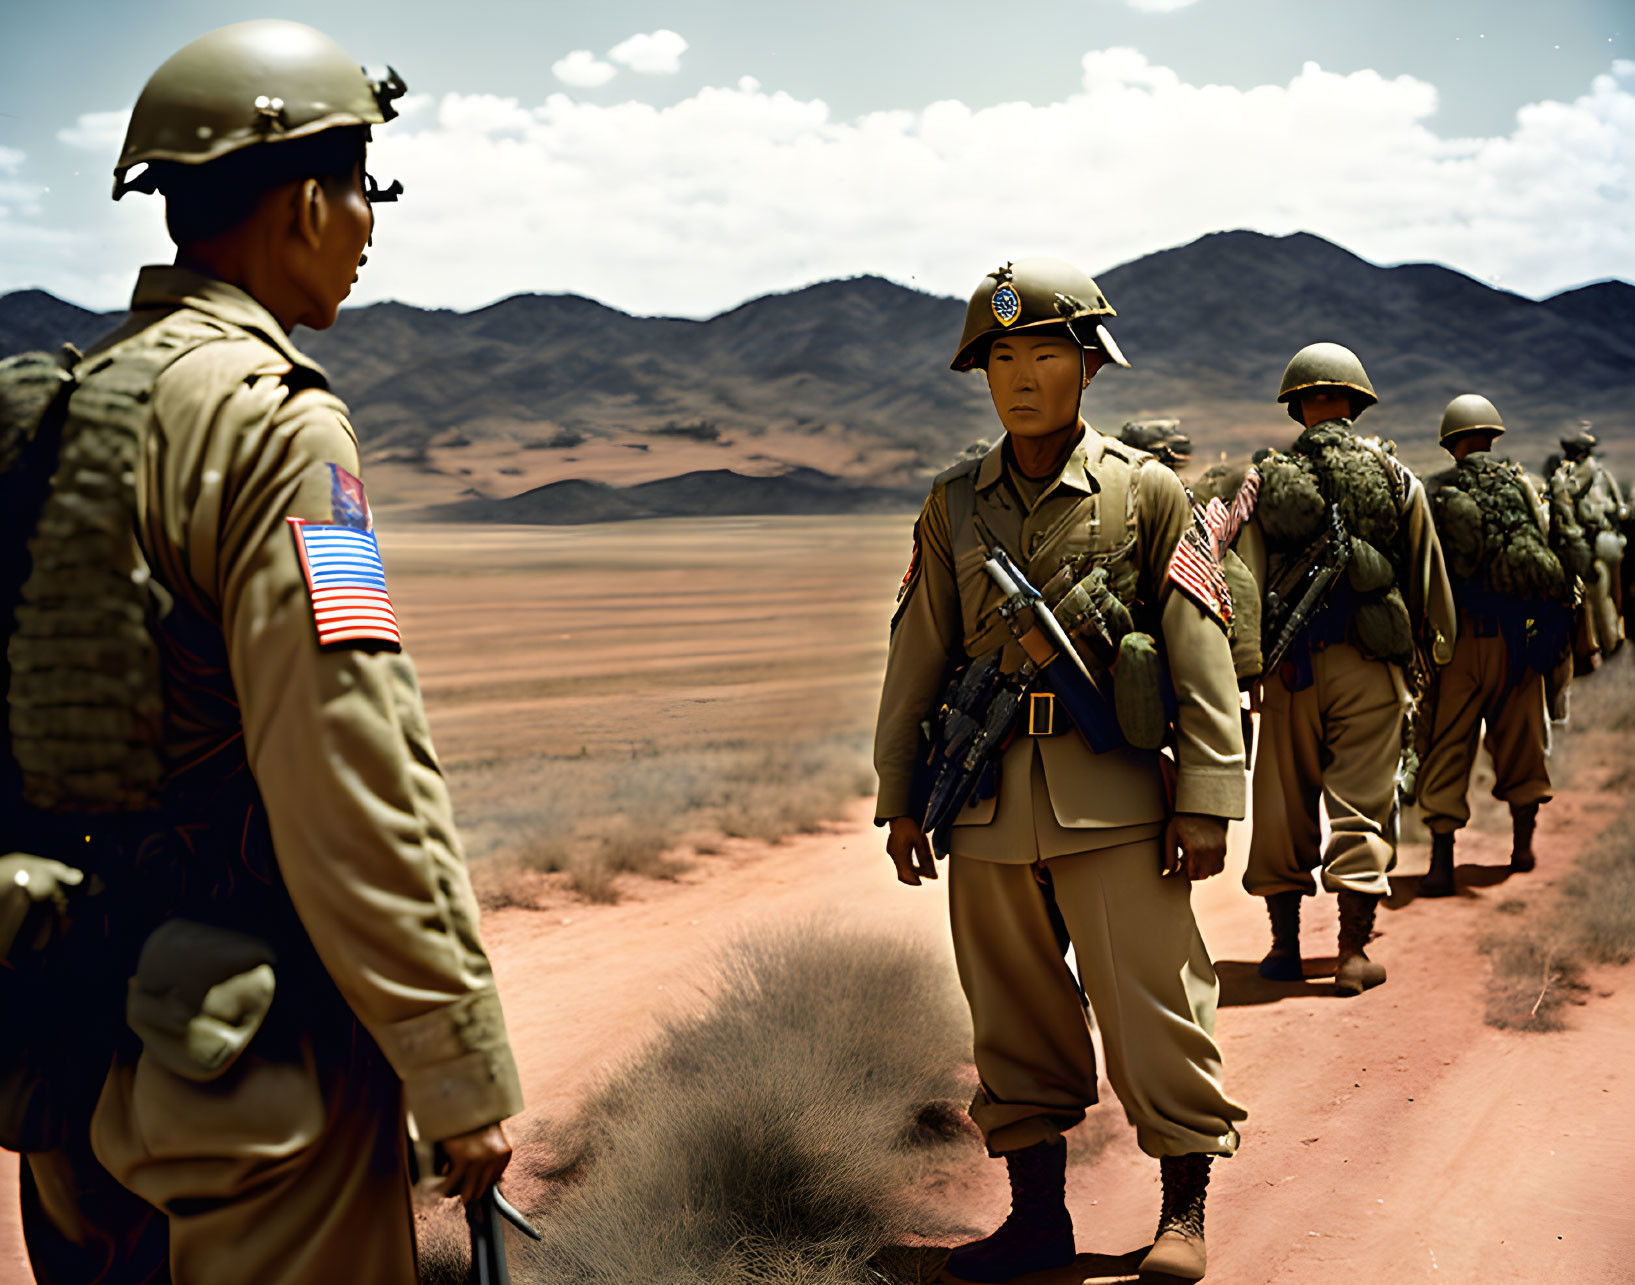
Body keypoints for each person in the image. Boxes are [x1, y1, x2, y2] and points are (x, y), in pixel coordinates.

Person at [0, 21, 522, 1283]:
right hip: (250, 1071)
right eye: (363, 192)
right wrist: (453, 1056)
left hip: (67, 1047)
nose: (368, 226)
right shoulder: (272, 427)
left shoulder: (57, 407)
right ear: (302, 203)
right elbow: (348, 757)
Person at [875, 258, 1248, 1283]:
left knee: (1156, 1010)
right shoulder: (953, 505)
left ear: (1090, 366)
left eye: (1044, 353)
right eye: (1000, 357)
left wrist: (1209, 798)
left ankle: (1184, 1211)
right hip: (985, 802)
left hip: (1117, 801)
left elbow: (1199, 650)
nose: (1021, 376)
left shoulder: (1148, 492)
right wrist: (901, 799)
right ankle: (1038, 1221)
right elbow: (918, 655)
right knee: (1012, 1020)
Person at [1236, 343, 1455, 994]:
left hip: (1288, 671)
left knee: (1280, 803)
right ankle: (1351, 954)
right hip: (1369, 666)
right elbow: (1426, 577)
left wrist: (1250, 667)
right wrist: (1431, 653)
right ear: (1356, 403)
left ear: (1296, 404)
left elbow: (1244, 580)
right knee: (1362, 803)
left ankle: (1281, 948)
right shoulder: (1396, 478)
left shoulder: (1268, 480)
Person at [1415, 395, 1575, 894]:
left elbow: (1423, 570)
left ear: (1451, 441)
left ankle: (1442, 865)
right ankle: (1522, 847)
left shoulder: (1434, 491)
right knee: (1523, 740)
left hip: (1460, 644)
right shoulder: (1525, 488)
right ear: (1493, 436)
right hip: (1519, 642)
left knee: (1446, 747)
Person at [1549, 426, 1626, 669]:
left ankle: (1607, 643)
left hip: (1593, 542)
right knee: (1594, 597)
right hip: (1586, 541)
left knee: (1596, 595)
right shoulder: (1583, 472)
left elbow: (1615, 508)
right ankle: (1603, 644)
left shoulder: (1579, 474)